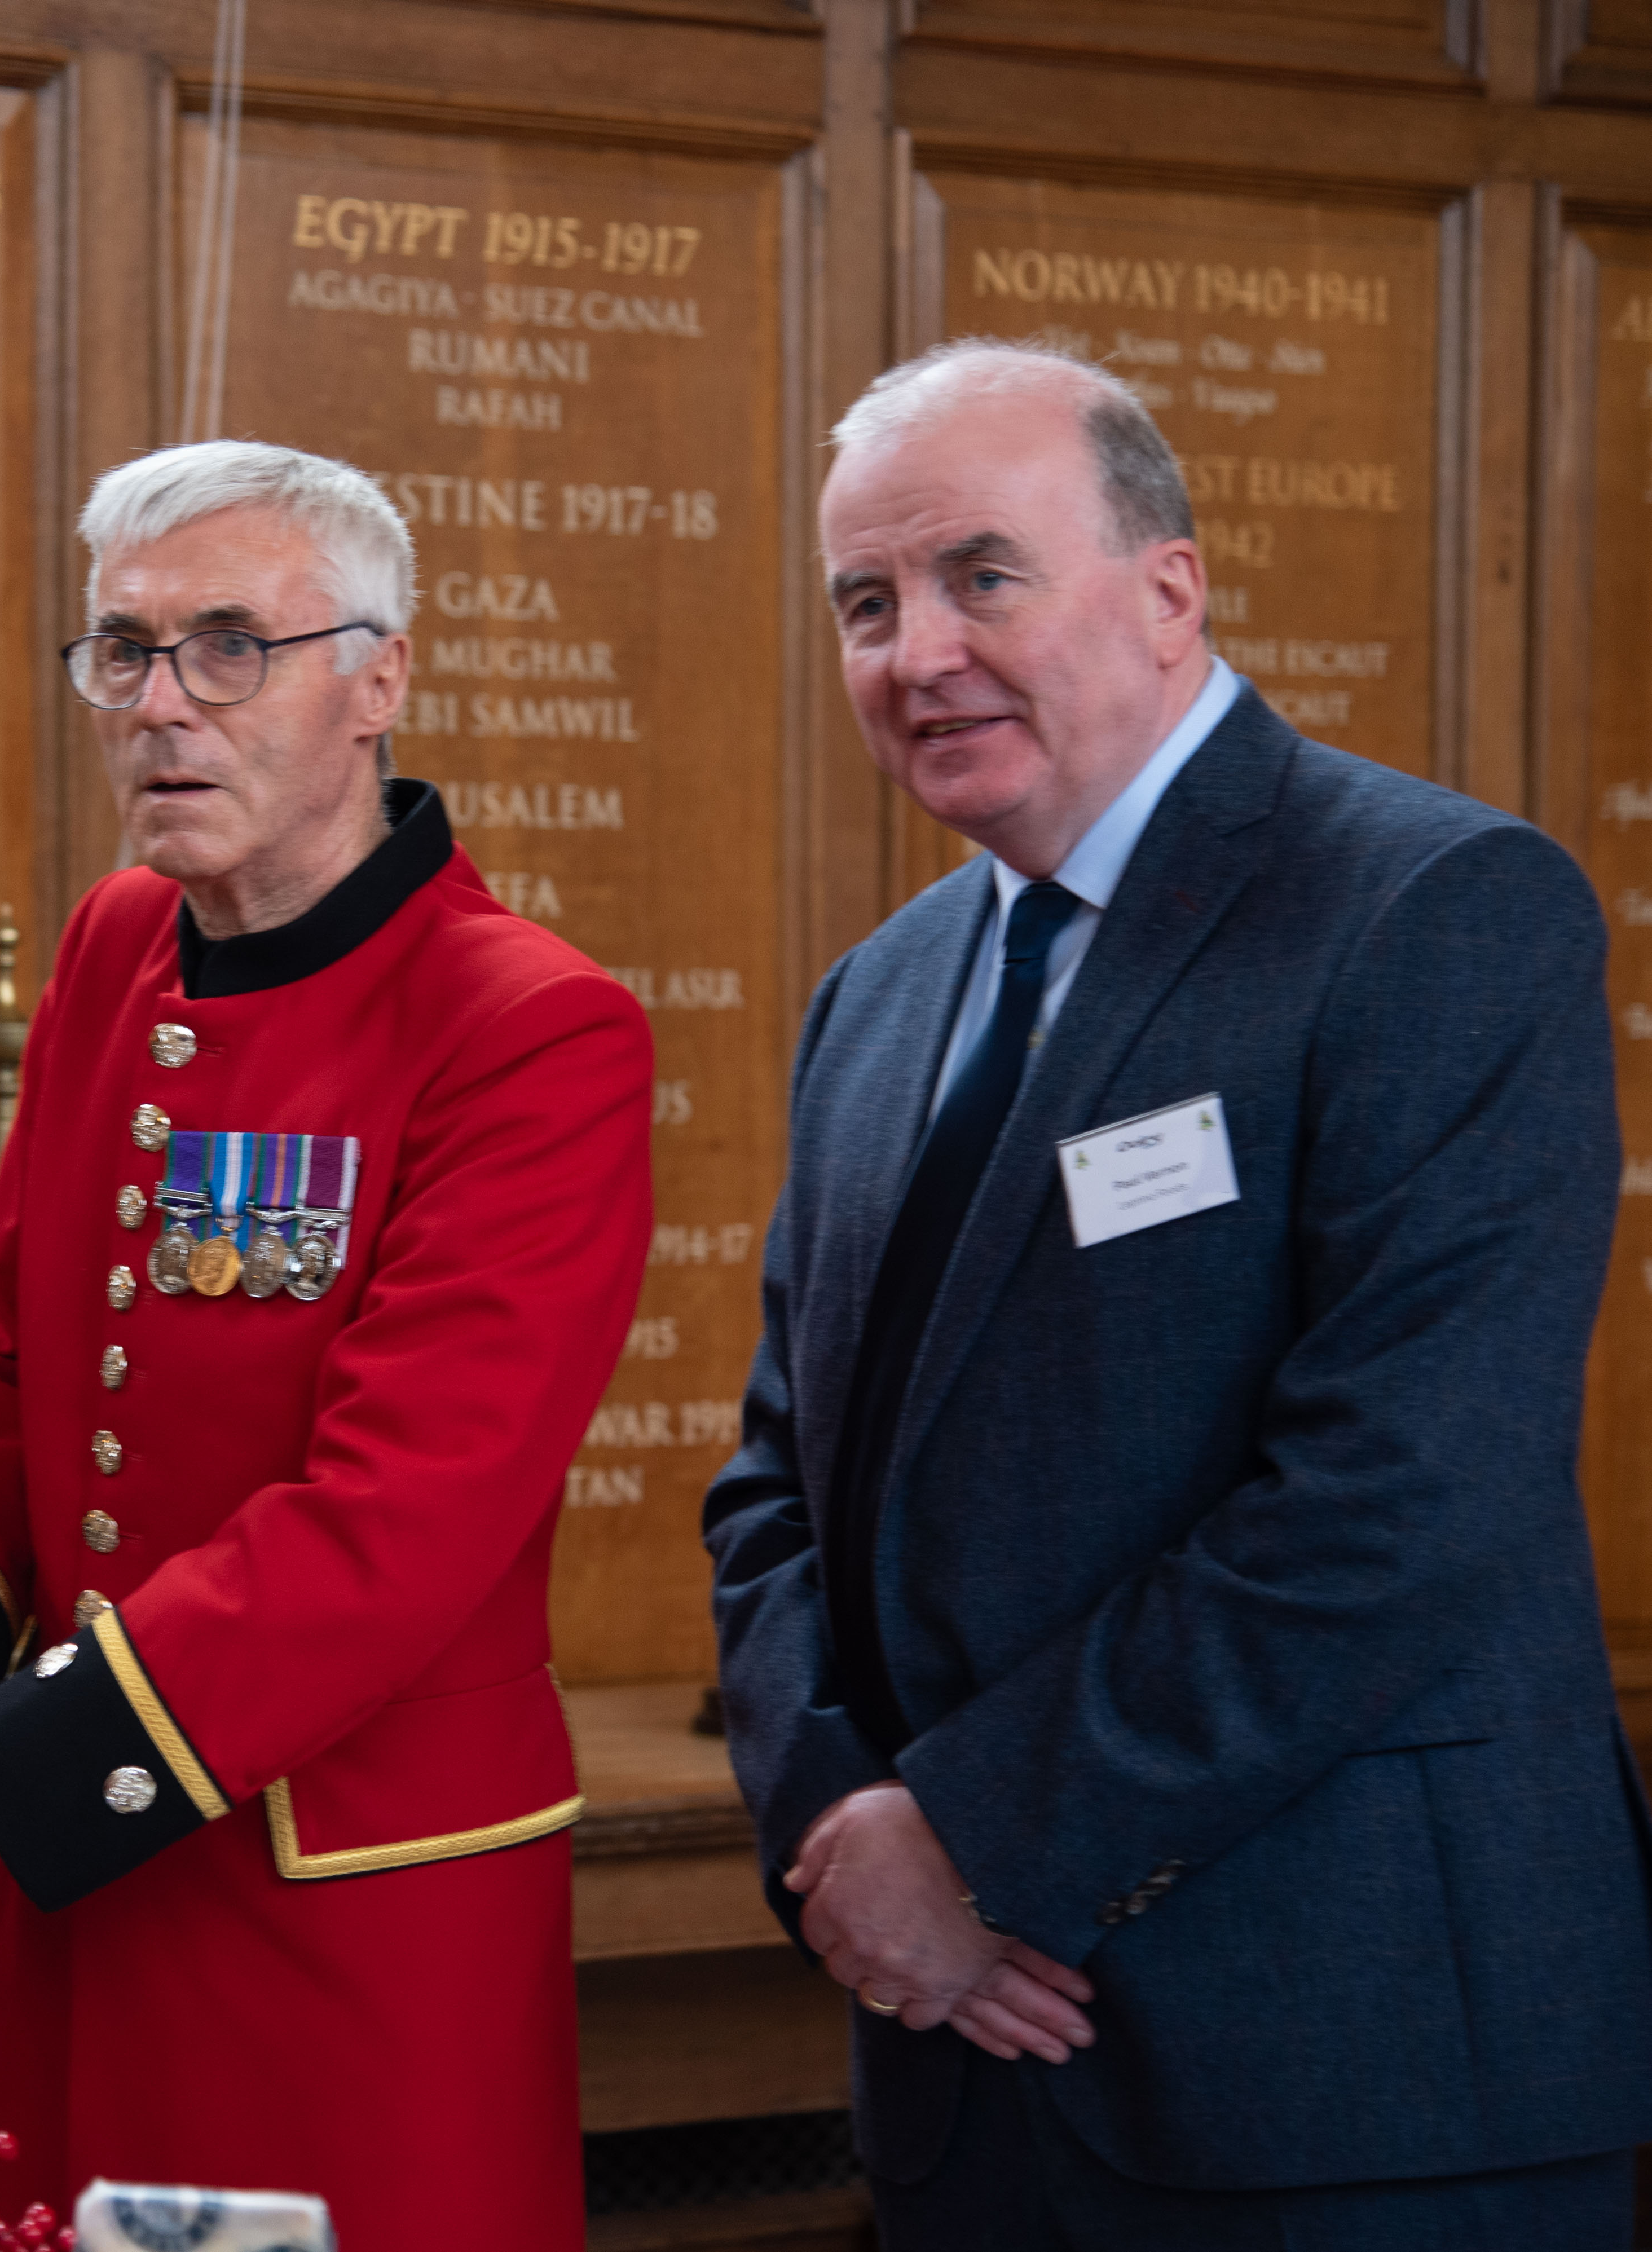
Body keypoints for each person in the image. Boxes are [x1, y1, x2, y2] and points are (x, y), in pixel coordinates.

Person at [706, 338, 1652, 2245]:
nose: (919, 652)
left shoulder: (1433, 908)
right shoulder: (879, 995)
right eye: (867, 603)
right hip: (962, 2055)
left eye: (985, 574)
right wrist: (850, 1849)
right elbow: (775, 1484)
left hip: (1348, 2064)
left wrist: (967, 1839)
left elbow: (1399, 1501)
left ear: (1168, 588)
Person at [0, 440, 651, 2245]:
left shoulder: (533, 1027)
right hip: (85, 1871)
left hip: (352, 1915)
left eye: (231, 646)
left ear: (376, 675)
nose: (164, 705)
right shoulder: (120, 947)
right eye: (127, 650)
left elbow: (395, 1518)